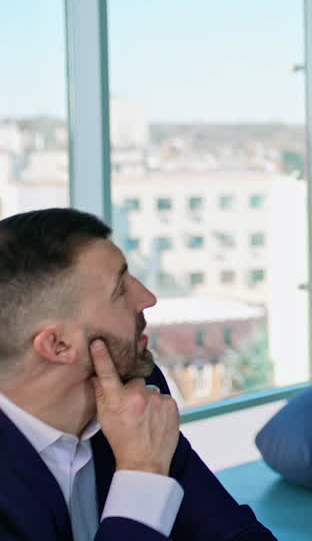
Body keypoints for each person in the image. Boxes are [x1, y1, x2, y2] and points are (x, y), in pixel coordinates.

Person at [0, 207, 276, 541]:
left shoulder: (135, 394)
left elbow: (230, 532)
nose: (147, 298)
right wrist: (141, 473)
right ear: (57, 344)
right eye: (120, 290)